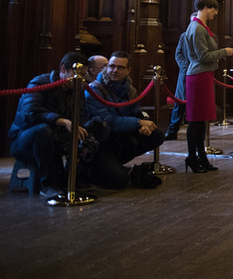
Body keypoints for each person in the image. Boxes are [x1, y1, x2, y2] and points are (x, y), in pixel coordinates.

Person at [8, 52, 90, 196]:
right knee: (43, 130)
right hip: (24, 139)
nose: (81, 79)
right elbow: (30, 112)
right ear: (63, 69)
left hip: (56, 138)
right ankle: (48, 185)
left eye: (83, 75)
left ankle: (69, 180)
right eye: (78, 74)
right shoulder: (40, 83)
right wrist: (63, 121)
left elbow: (81, 116)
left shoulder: (76, 90)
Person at [84, 51, 166, 189]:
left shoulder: (129, 89)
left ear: (128, 70)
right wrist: (138, 123)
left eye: (120, 67)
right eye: (111, 66)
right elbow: (109, 121)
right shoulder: (95, 90)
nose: (115, 70)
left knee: (156, 134)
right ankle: (96, 169)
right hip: (101, 143)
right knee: (119, 181)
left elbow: (135, 112)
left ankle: (114, 164)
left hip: (120, 139)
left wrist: (142, 125)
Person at [184, 0, 233, 172]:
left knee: (201, 121)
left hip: (204, 75)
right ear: (206, 7)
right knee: (196, 121)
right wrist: (225, 52)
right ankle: (193, 158)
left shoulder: (201, 27)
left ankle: (201, 157)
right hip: (198, 76)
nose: (215, 13)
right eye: (214, 9)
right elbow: (203, 56)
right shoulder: (196, 28)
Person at [165, 17, 193, 140]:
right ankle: (172, 130)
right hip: (185, 73)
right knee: (179, 103)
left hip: (200, 73)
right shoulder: (184, 36)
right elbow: (178, 53)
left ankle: (195, 132)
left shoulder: (208, 36)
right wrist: (185, 67)